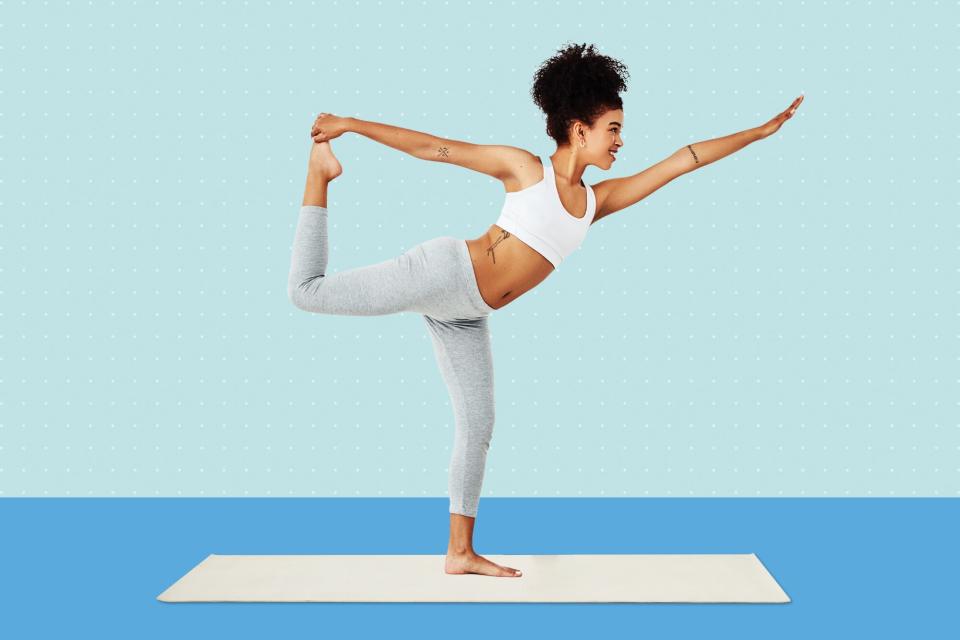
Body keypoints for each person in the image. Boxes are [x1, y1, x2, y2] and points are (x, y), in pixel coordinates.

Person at [288, 42, 803, 578]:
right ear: (580, 130)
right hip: (444, 272)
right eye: (613, 129)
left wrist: (759, 132)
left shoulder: (595, 202)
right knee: (308, 292)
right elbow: (433, 148)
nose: (621, 141)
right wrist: (348, 123)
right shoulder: (524, 169)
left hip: (467, 312)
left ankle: (459, 552)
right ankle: (319, 174)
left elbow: (685, 160)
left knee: (479, 423)